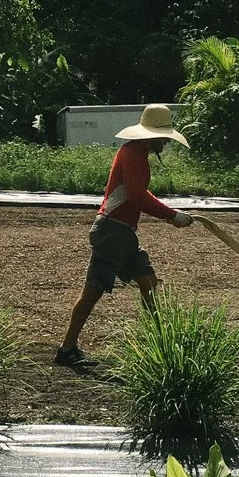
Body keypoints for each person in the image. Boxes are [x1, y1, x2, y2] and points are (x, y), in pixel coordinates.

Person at [54, 103, 194, 365]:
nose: (166, 142)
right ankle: (66, 349)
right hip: (112, 232)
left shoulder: (137, 154)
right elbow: (137, 195)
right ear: (153, 135)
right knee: (93, 291)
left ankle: (159, 343)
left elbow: (138, 191)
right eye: (164, 137)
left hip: (125, 233)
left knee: (148, 281)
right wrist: (171, 215)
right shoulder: (132, 154)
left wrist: (171, 212)